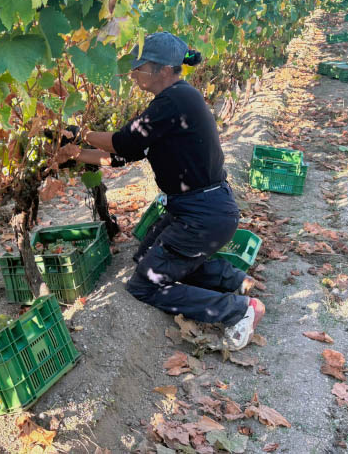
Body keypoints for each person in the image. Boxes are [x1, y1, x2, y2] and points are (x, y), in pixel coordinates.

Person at [55, 32, 264, 350]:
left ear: (164, 70)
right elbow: (126, 155)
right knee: (145, 256)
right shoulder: (175, 100)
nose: (133, 73)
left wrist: (79, 132)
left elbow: (123, 141)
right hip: (198, 210)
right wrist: (75, 154)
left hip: (202, 216)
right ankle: (235, 282)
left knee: (144, 285)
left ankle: (237, 311)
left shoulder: (174, 100)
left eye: (140, 67)